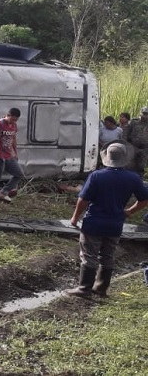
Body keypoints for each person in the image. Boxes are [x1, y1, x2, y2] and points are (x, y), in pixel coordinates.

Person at [66, 141, 148, 297]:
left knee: (89, 255)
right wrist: (129, 212)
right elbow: (144, 200)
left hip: (94, 223)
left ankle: (84, 289)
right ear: (125, 158)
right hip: (115, 224)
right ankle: (101, 288)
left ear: (107, 157)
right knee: (108, 256)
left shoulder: (96, 176)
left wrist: (75, 218)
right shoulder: (133, 178)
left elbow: (83, 200)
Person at [123, 107, 148, 174]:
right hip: (132, 146)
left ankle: (139, 179)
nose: (145, 116)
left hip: (145, 149)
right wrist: (126, 143)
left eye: (147, 114)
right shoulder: (134, 121)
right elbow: (125, 132)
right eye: (144, 113)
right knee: (130, 164)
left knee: (141, 165)